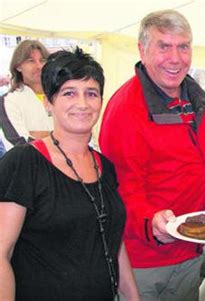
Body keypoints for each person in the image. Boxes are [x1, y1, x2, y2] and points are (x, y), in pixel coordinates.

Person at [0, 47, 139, 300]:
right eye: (69, 93)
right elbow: (1, 254)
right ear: (49, 103)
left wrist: (133, 297)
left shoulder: (105, 167)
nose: (82, 104)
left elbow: (113, 244)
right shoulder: (24, 163)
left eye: (91, 93)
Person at [99, 9, 205, 301]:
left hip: (190, 250)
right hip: (146, 261)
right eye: (164, 46)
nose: (175, 58)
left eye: (183, 46)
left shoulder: (194, 96)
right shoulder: (126, 107)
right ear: (142, 49)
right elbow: (120, 187)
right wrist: (148, 223)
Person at [0, 40, 53, 150]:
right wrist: (59, 138)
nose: (39, 66)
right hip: (28, 165)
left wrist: (39, 134)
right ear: (18, 66)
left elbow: (80, 135)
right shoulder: (8, 101)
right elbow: (20, 142)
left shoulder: (60, 96)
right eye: (31, 61)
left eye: (42, 60)